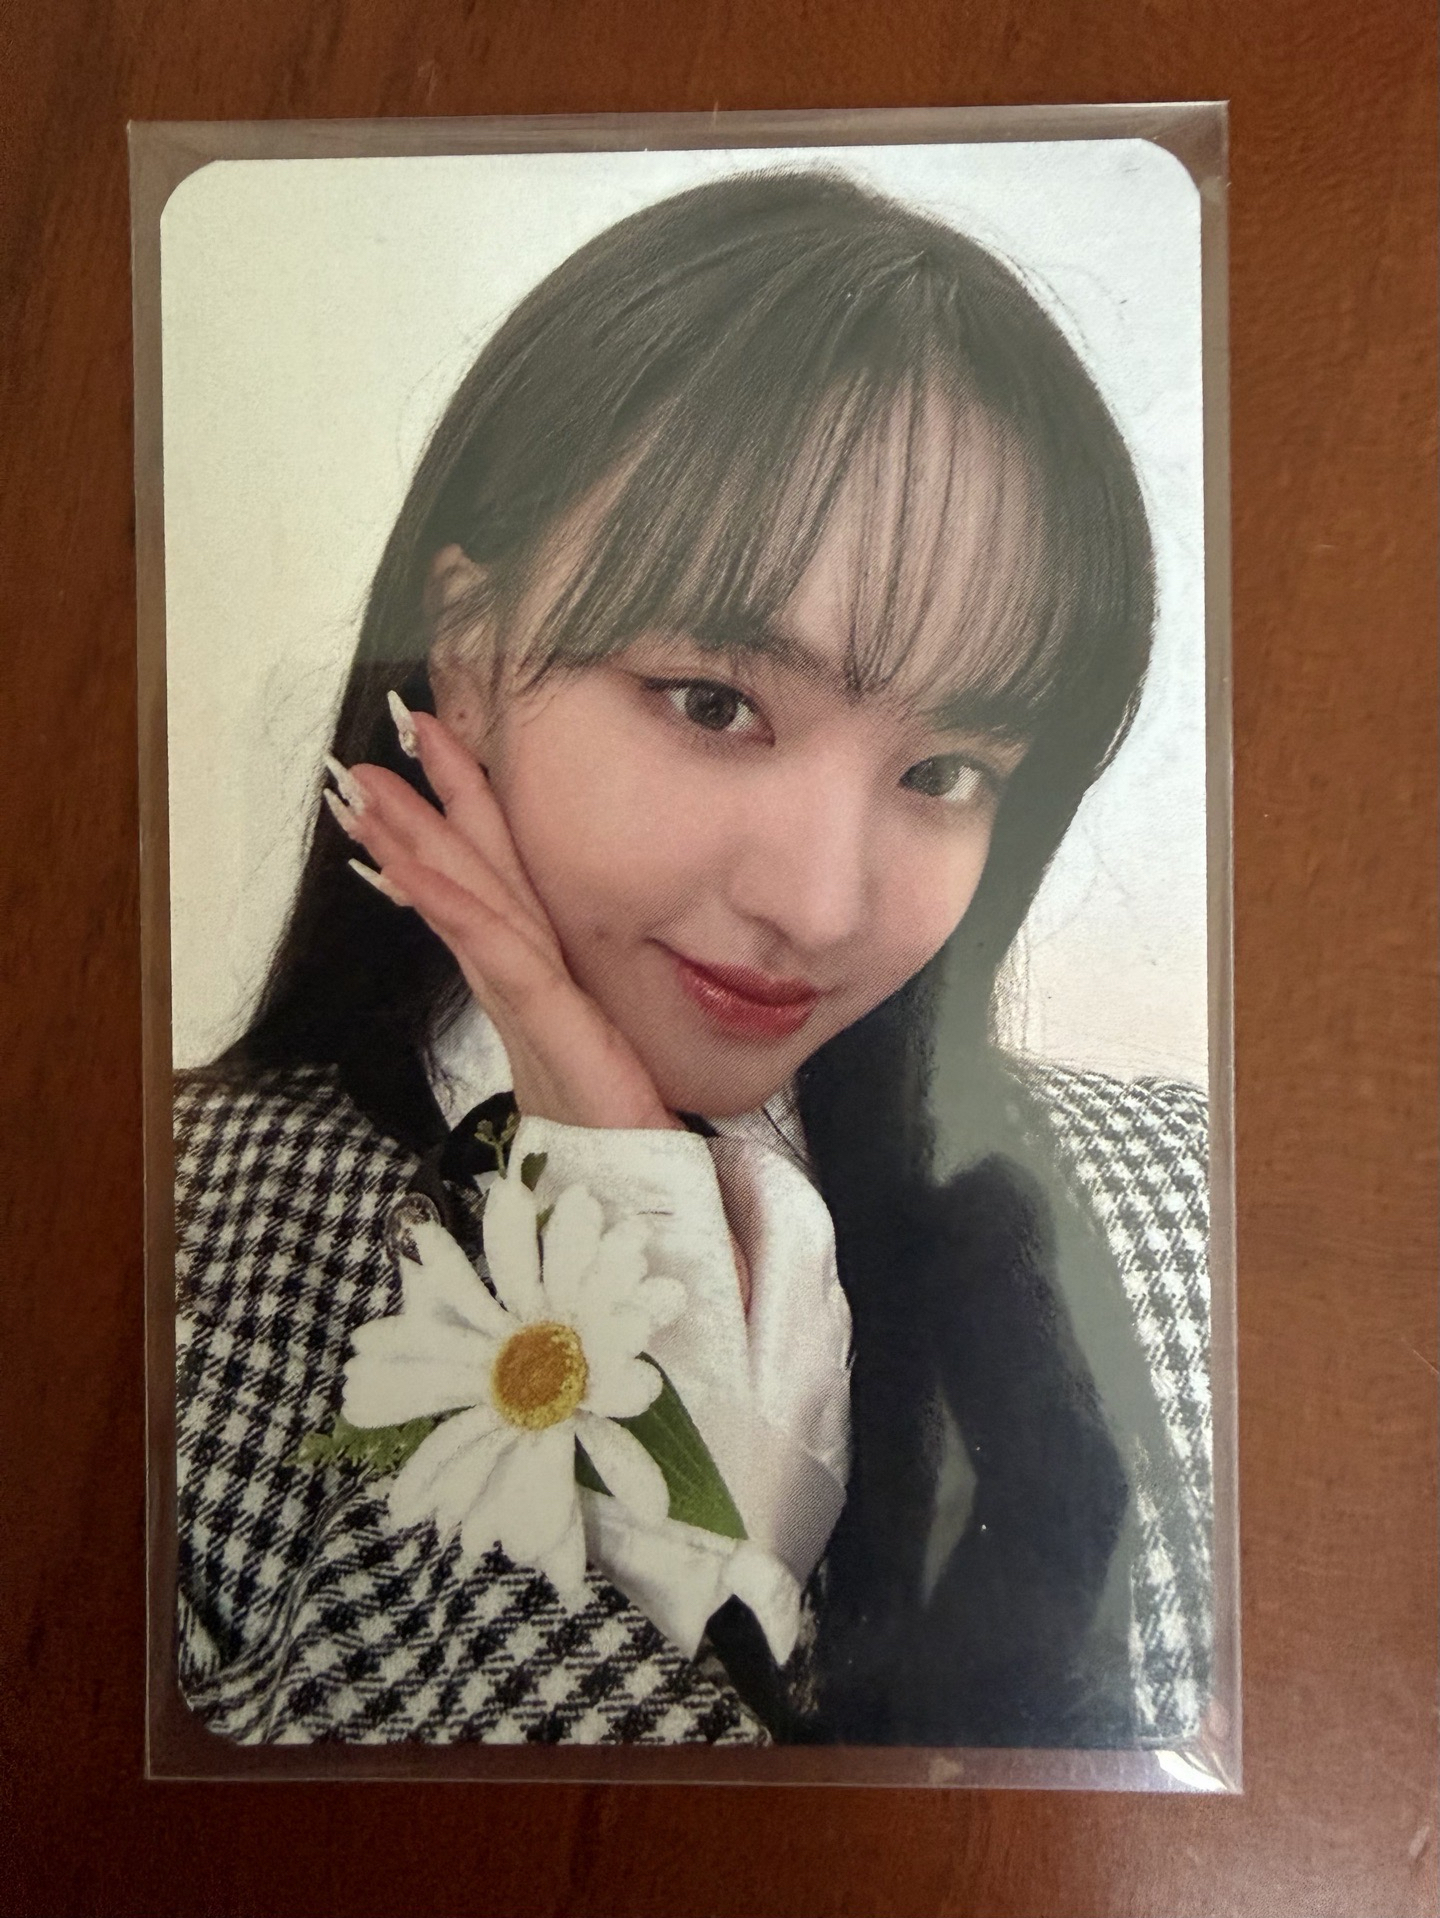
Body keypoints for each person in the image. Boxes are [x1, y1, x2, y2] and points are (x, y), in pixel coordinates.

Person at [173, 167, 1212, 1749]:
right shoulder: (163, 1247)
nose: (820, 904)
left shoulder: (1187, 1213)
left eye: (945, 771)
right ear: (470, 649)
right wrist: (613, 1197)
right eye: (715, 703)